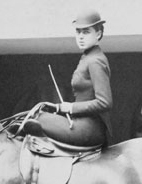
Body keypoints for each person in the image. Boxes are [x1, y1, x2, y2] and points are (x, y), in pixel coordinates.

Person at [22, 8, 112, 147]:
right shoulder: (87, 57)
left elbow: (104, 102)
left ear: (98, 33)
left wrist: (70, 108)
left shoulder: (95, 61)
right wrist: (58, 107)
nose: (81, 36)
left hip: (90, 127)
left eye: (86, 32)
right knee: (32, 116)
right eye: (78, 32)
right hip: (80, 122)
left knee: (37, 119)